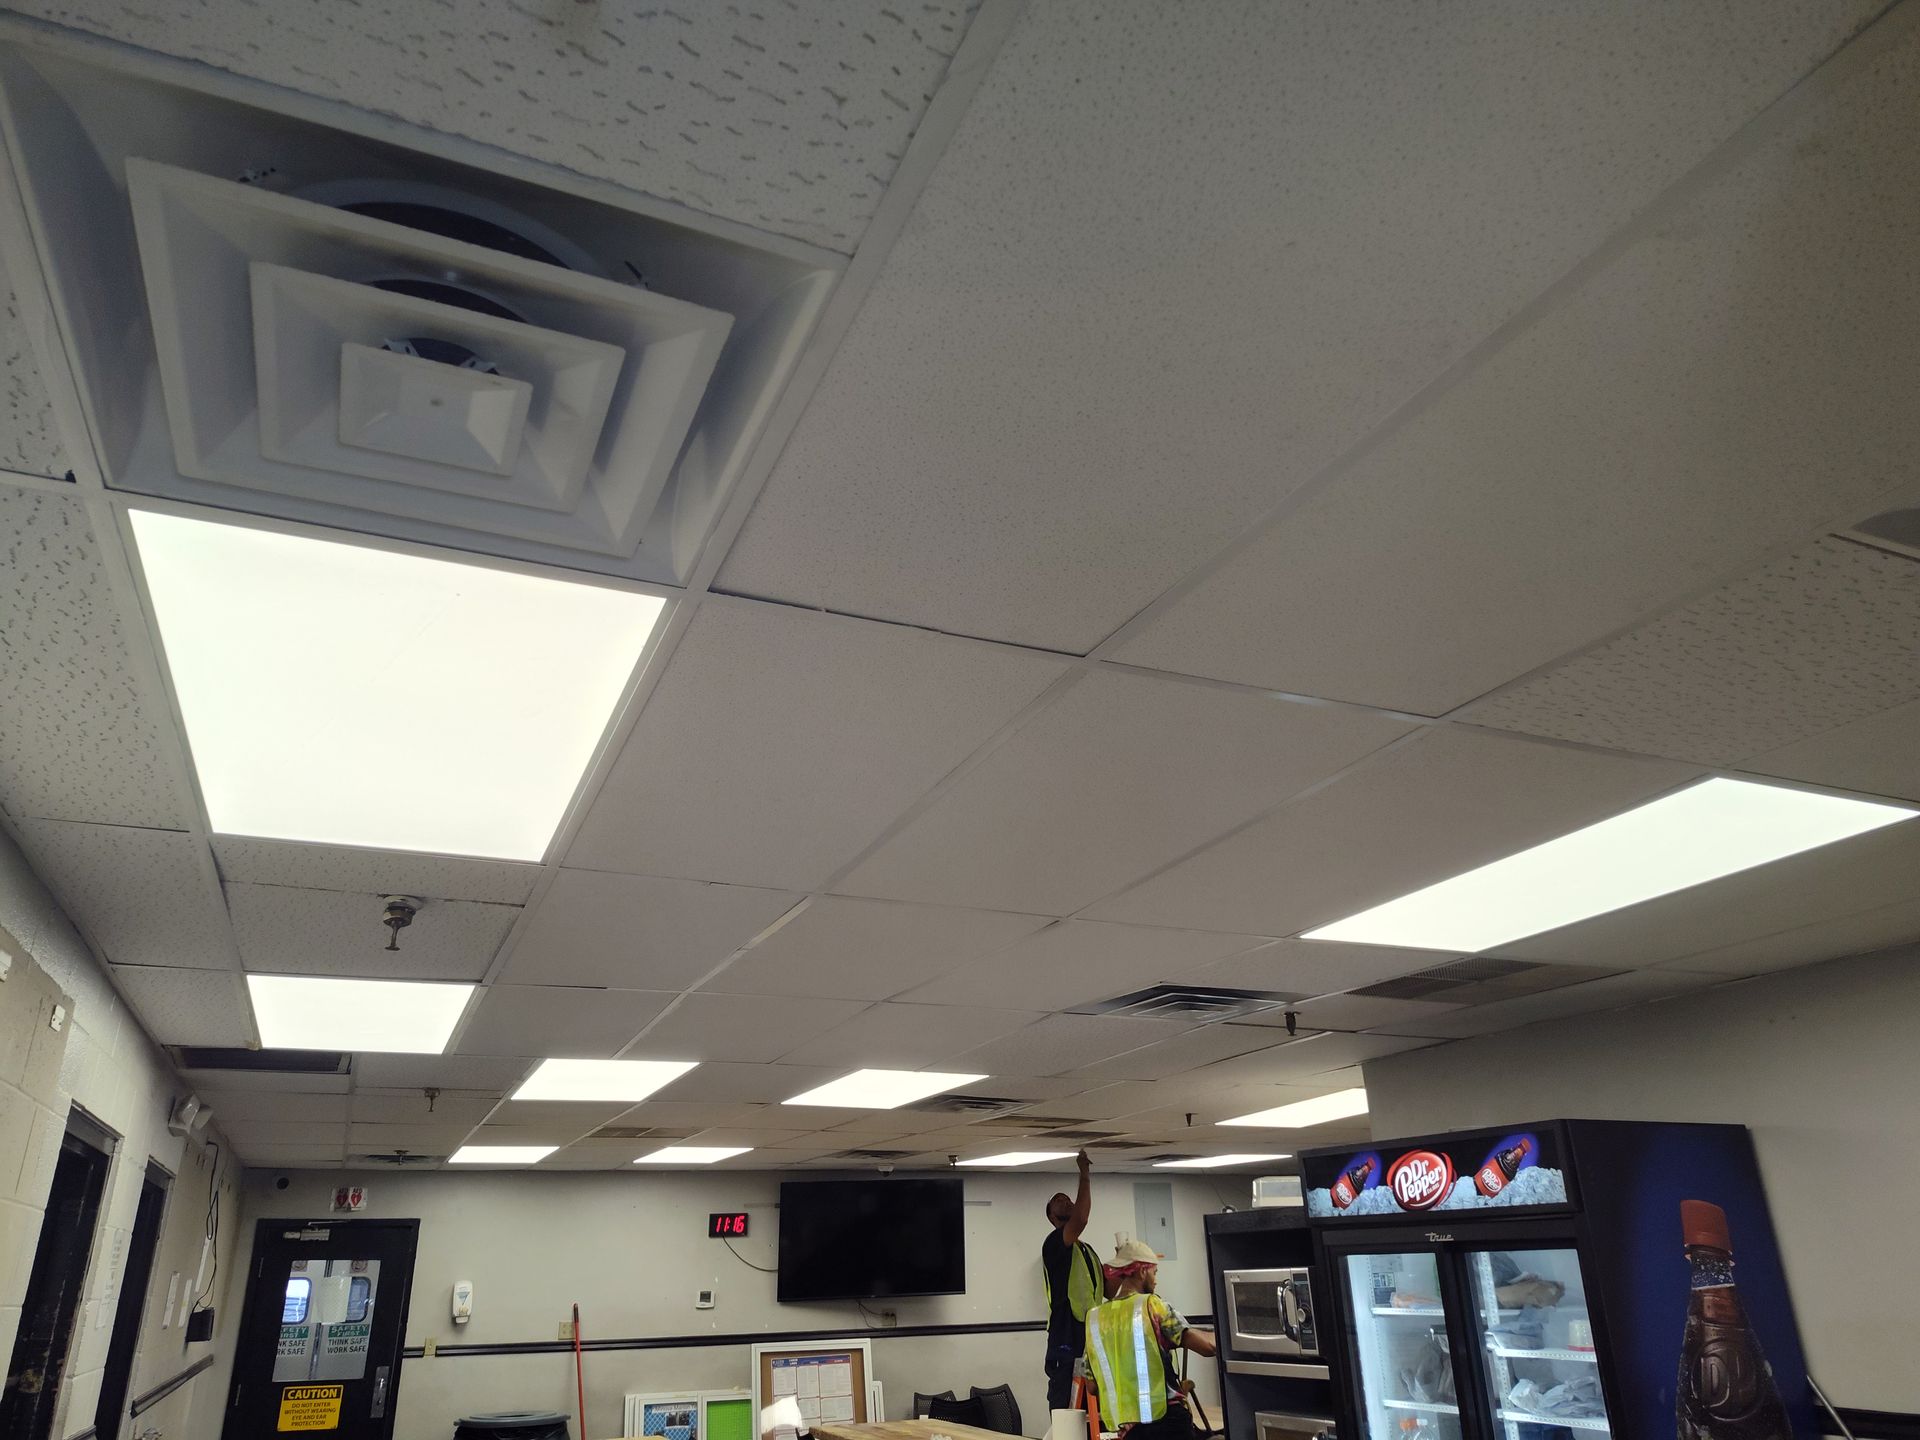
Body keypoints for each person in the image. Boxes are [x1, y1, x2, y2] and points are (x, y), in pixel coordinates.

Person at [1083, 1239, 1216, 1440]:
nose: (1156, 1280)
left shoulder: (1095, 1319)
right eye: (1154, 1273)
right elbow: (1207, 1347)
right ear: (1141, 1271)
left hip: (1128, 1430)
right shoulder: (1152, 1305)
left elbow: (1092, 1387)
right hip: (1167, 1422)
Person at [1041, 1149, 1100, 1411]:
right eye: (1058, 1201)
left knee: (1092, 1413)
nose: (1065, 1201)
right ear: (1052, 1216)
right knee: (1067, 1411)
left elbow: (1105, 1287)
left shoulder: (1086, 1250)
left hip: (1089, 1337)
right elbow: (1083, 1218)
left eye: (1068, 1199)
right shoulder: (1054, 1244)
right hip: (1065, 1335)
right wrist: (1084, 1174)